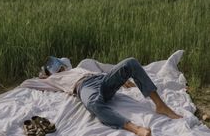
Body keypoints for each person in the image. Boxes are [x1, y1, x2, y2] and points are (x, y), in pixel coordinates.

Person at [23, 56, 183, 136]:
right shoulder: (52, 79)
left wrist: (123, 81)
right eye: (54, 68)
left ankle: (161, 106)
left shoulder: (78, 68)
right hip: (83, 87)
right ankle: (134, 128)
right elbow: (29, 83)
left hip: (100, 79)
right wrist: (43, 76)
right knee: (93, 103)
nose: (59, 69)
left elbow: (103, 74)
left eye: (60, 66)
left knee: (131, 62)